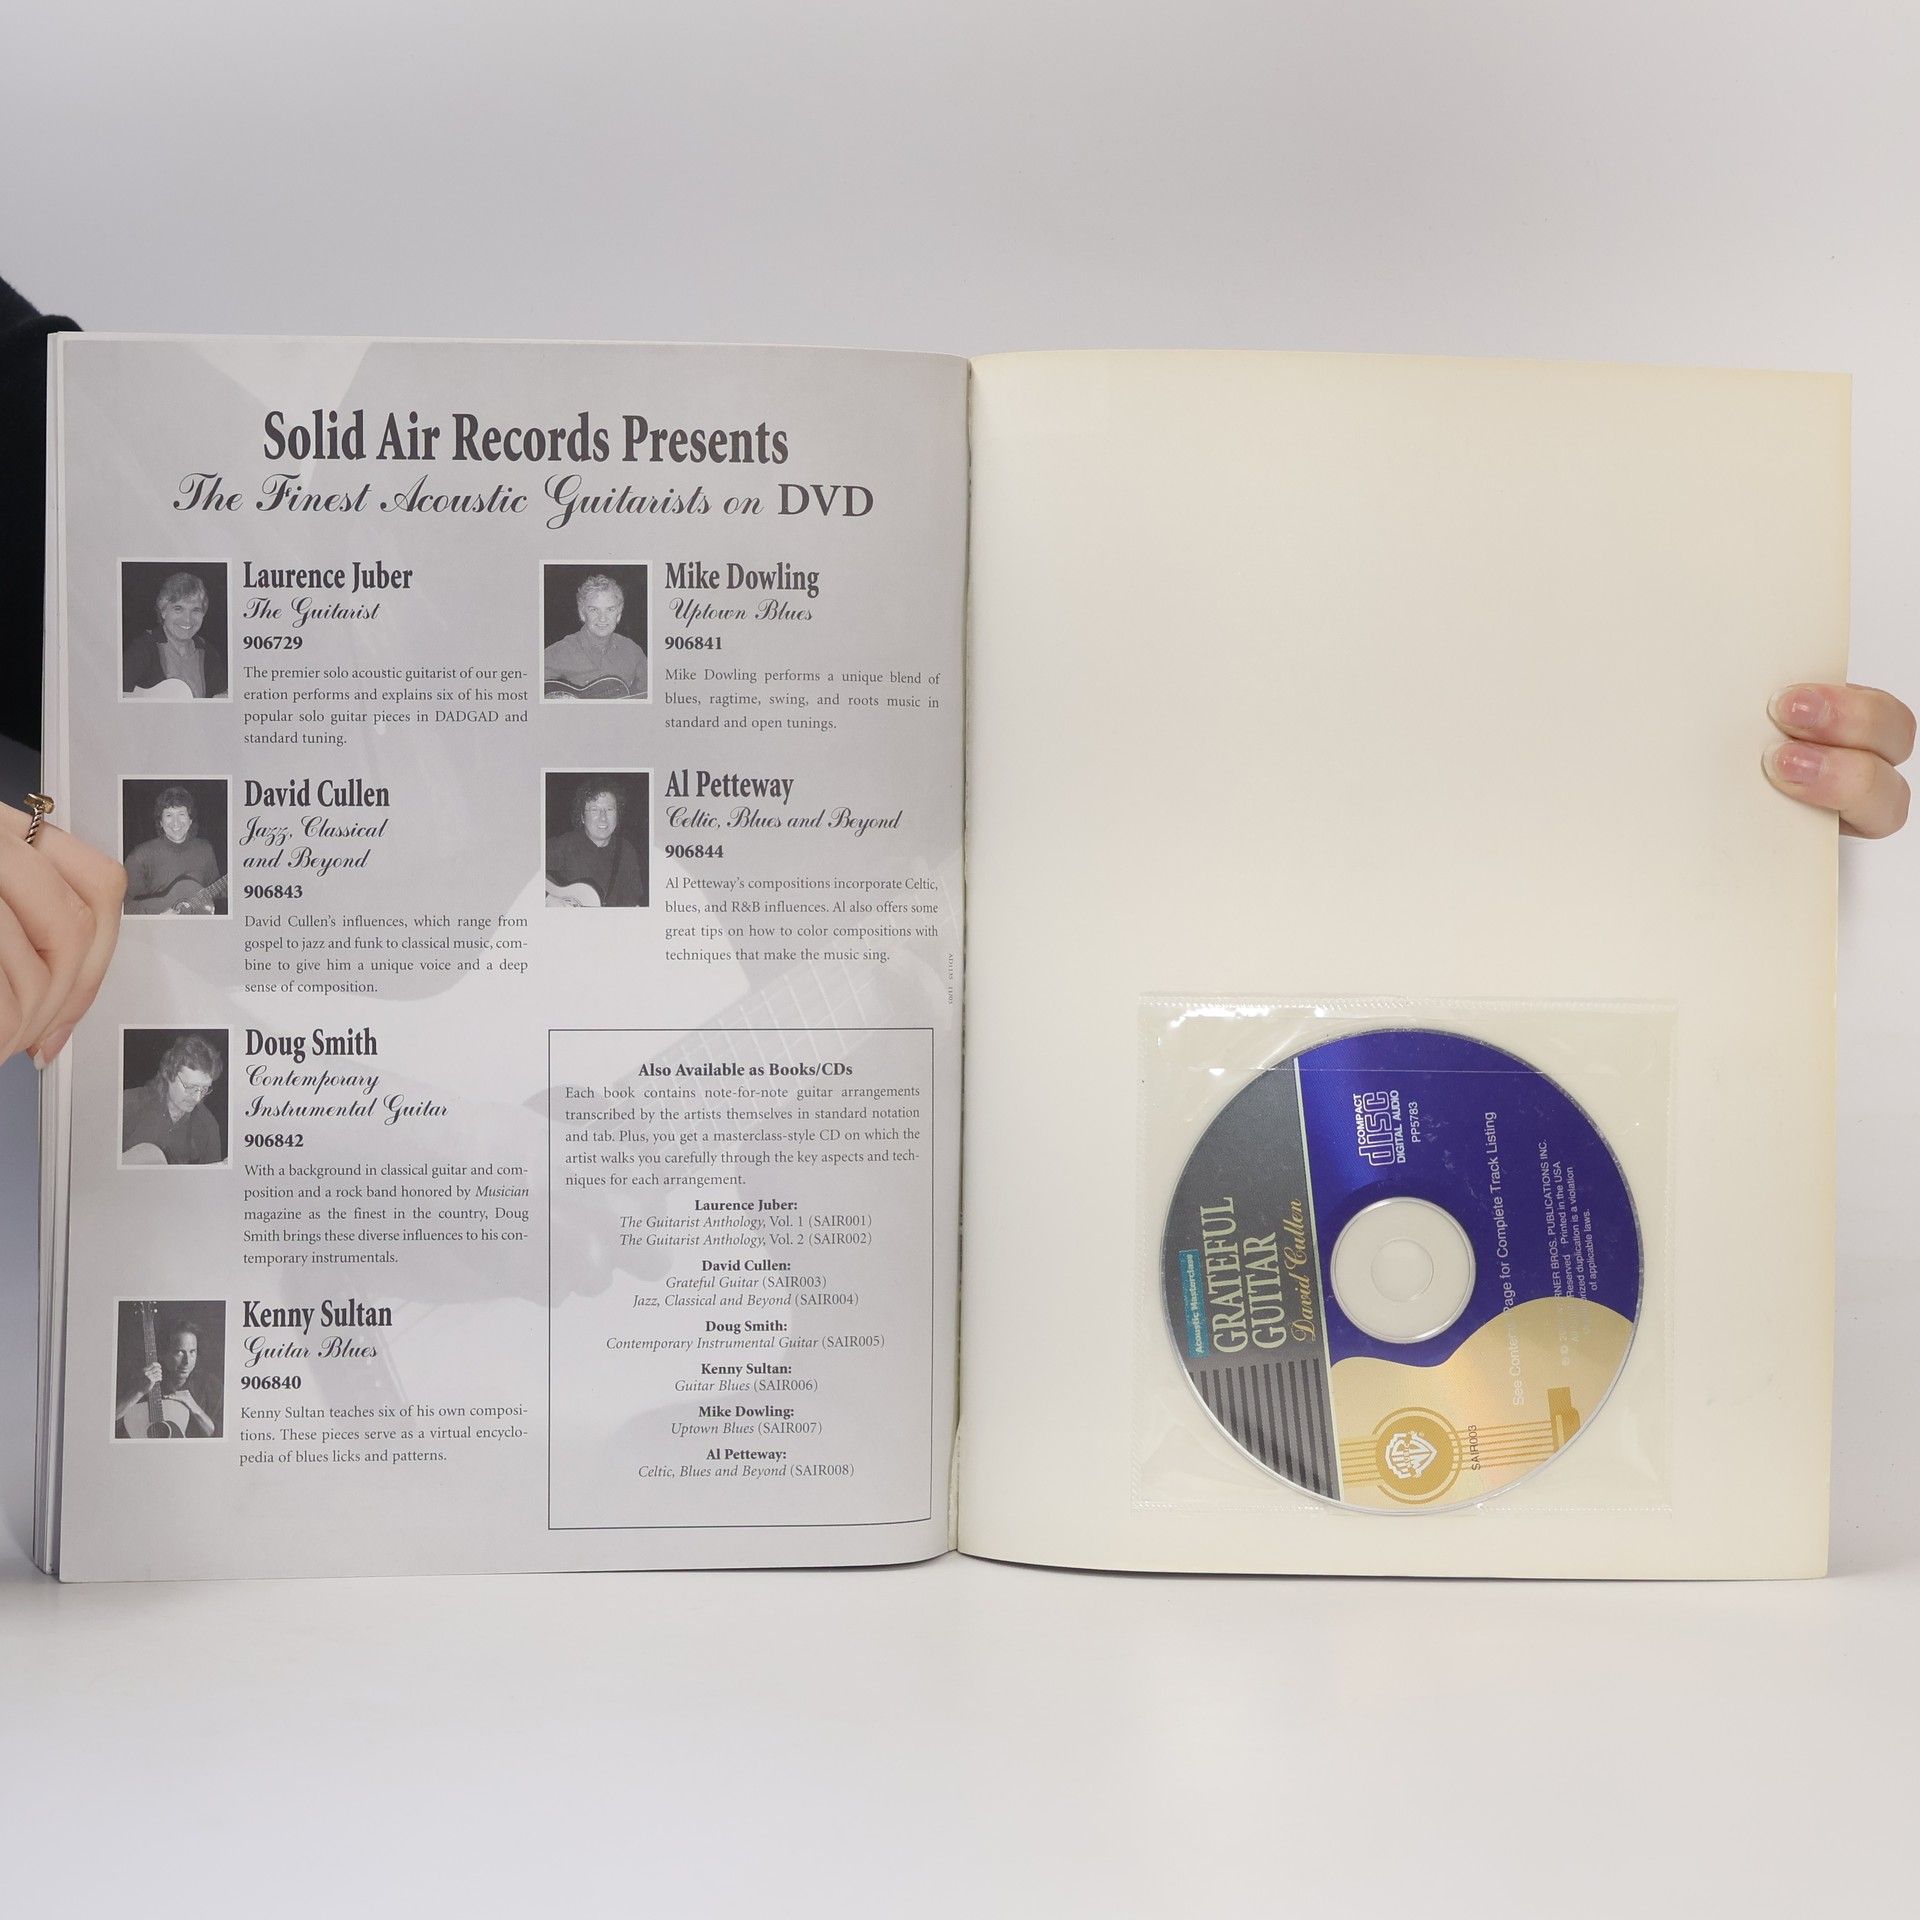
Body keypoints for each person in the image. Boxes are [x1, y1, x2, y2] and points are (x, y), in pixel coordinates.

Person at [121, 1032, 225, 1165]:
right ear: (169, 1073)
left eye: (204, 1089)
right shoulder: (127, 1104)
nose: (197, 1098)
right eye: (190, 1087)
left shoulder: (208, 1127)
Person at [123, 569, 226, 699]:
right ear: (163, 611)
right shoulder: (143, 649)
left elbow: (222, 694)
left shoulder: (208, 653)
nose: (187, 619)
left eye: (195, 610)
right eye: (178, 609)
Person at [543, 572, 648, 699]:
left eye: (610, 609)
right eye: (594, 610)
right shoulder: (559, 652)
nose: (602, 618)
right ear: (582, 614)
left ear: (619, 614)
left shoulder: (633, 652)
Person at [124, 785, 223, 915]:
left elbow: (214, 893)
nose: (176, 822)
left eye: (181, 814)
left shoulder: (205, 849)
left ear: (190, 820)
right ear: (161, 822)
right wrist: (156, 915)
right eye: (169, 815)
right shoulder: (140, 856)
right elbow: (123, 905)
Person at [546, 779, 647, 907]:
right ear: (582, 817)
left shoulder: (626, 851)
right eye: (594, 810)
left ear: (617, 815)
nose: (603, 817)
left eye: (609, 809)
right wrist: (549, 900)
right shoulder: (563, 845)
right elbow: (525, 869)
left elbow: (632, 901)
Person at [115, 1315, 219, 1439]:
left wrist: (194, 1406)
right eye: (179, 1352)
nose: (187, 1361)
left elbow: (220, 1436)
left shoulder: (210, 1385)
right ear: (163, 1354)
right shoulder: (144, 1380)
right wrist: (139, 1392)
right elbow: (108, 1424)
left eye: (192, 1352)